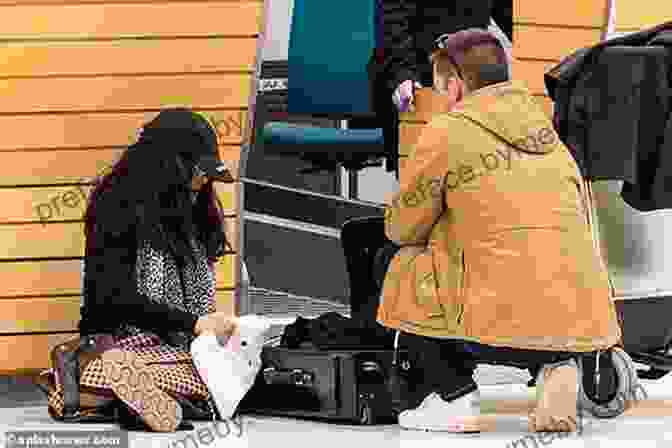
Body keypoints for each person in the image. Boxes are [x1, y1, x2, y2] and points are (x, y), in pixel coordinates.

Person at [347, 28, 626, 433]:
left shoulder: (448, 131)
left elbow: (403, 226)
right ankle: (554, 364)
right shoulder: (548, 134)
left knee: (395, 260)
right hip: (573, 315)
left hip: (493, 315)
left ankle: (453, 395)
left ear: (455, 85)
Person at [56, 108, 246, 432]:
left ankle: (133, 399)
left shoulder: (193, 207)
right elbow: (112, 298)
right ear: (168, 165)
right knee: (135, 366)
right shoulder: (116, 206)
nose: (203, 181)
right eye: (197, 171)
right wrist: (196, 322)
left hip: (181, 347)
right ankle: (141, 392)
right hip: (121, 338)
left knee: (235, 368)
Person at [365, 0, 512, 174]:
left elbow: (511, 15)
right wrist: (402, 75)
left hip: (471, 73)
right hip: (414, 69)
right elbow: (392, 22)